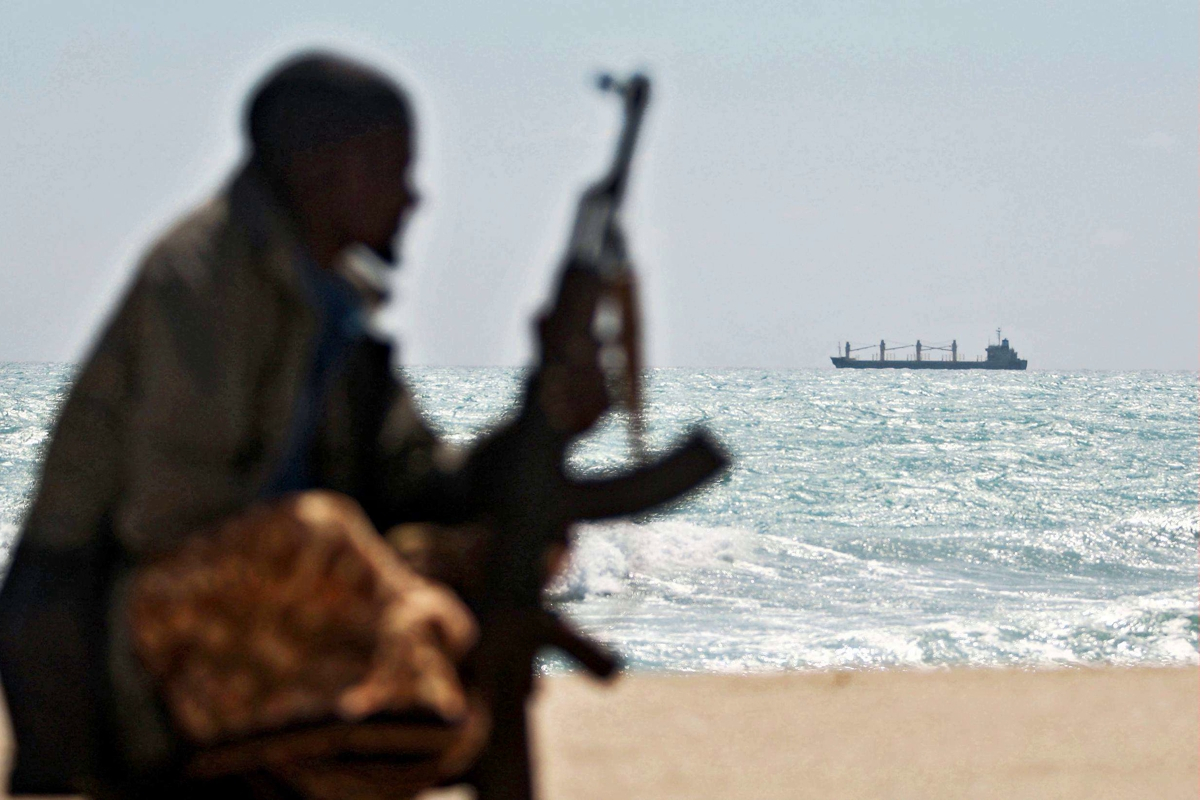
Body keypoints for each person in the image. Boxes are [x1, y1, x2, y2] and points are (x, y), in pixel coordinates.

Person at [0, 51, 725, 800]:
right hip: (109, 634)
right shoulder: (202, 279)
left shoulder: (336, 311)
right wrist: (384, 568)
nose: (413, 198)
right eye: (393, 170)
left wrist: (542, 418)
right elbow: (171, 519)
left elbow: (422, 480)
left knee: (505, 545)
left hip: (237, 597)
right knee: (321, 531)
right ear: (321, 174)